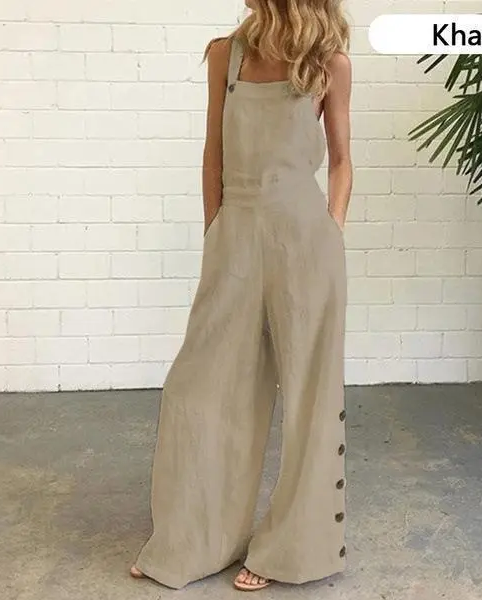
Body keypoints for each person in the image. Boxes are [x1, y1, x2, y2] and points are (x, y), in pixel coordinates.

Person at [130, 0, 352, 592]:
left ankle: (290, 551)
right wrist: (215, 233)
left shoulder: (328, 62)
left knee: (309, 397)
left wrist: (331, 229)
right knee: (199, 387)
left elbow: (342, 161)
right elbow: (214, 155)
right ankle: (190, 540)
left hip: (305, 238)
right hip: (236, 232)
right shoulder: (225, 56)